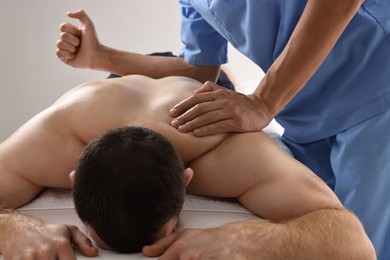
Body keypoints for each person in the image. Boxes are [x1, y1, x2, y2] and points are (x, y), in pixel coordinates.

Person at [56, 2, 390, 258]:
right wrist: (101, 58)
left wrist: (262, 101)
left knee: (360, 246)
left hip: (376, 92)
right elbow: (200, 69)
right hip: (304, 119)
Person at [0, 75, 375, 259]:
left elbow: (356, 244)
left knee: (208, 74)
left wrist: (247, 239)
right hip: (103, 93)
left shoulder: (230, 151)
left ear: (188, 179)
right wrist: (12, 227)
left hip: (201, 91)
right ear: (74, 178)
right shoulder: (53, 138)